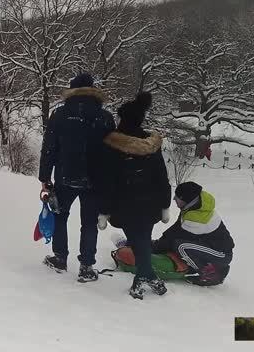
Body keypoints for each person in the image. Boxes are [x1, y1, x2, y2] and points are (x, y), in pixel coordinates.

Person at [39, 73, 117, 282]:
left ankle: (60, 257)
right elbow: (112, 152)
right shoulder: (105, 117)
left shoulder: (60, 114)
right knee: (89, 222)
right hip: (95, 179)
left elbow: (49, 148)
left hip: (66, 176)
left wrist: (45, 176)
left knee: (59, 215)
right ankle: (87, 266)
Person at [97, 92, 171, 299]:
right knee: (142, 240)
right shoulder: (151, 144)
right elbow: (161, 176)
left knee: (138, 240)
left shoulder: (112, 144)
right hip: (150, 203)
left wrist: (104, 210)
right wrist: (165, 203)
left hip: (124, 203)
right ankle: (149, 275)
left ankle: (144, 276)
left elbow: (107, 180)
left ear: (123, 118)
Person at [152, 181, 235, 286]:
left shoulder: (195, 219)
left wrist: (156, 247)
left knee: (181, 246)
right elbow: (175, 229)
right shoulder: (195, 206)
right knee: (177, 244)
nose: (174, 199)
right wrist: (158, 242)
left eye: (177, 197)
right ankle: (206, 266)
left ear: (186, 200)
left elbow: (175, 236)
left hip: (221, 254)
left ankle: (211, 275)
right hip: (210, 247)